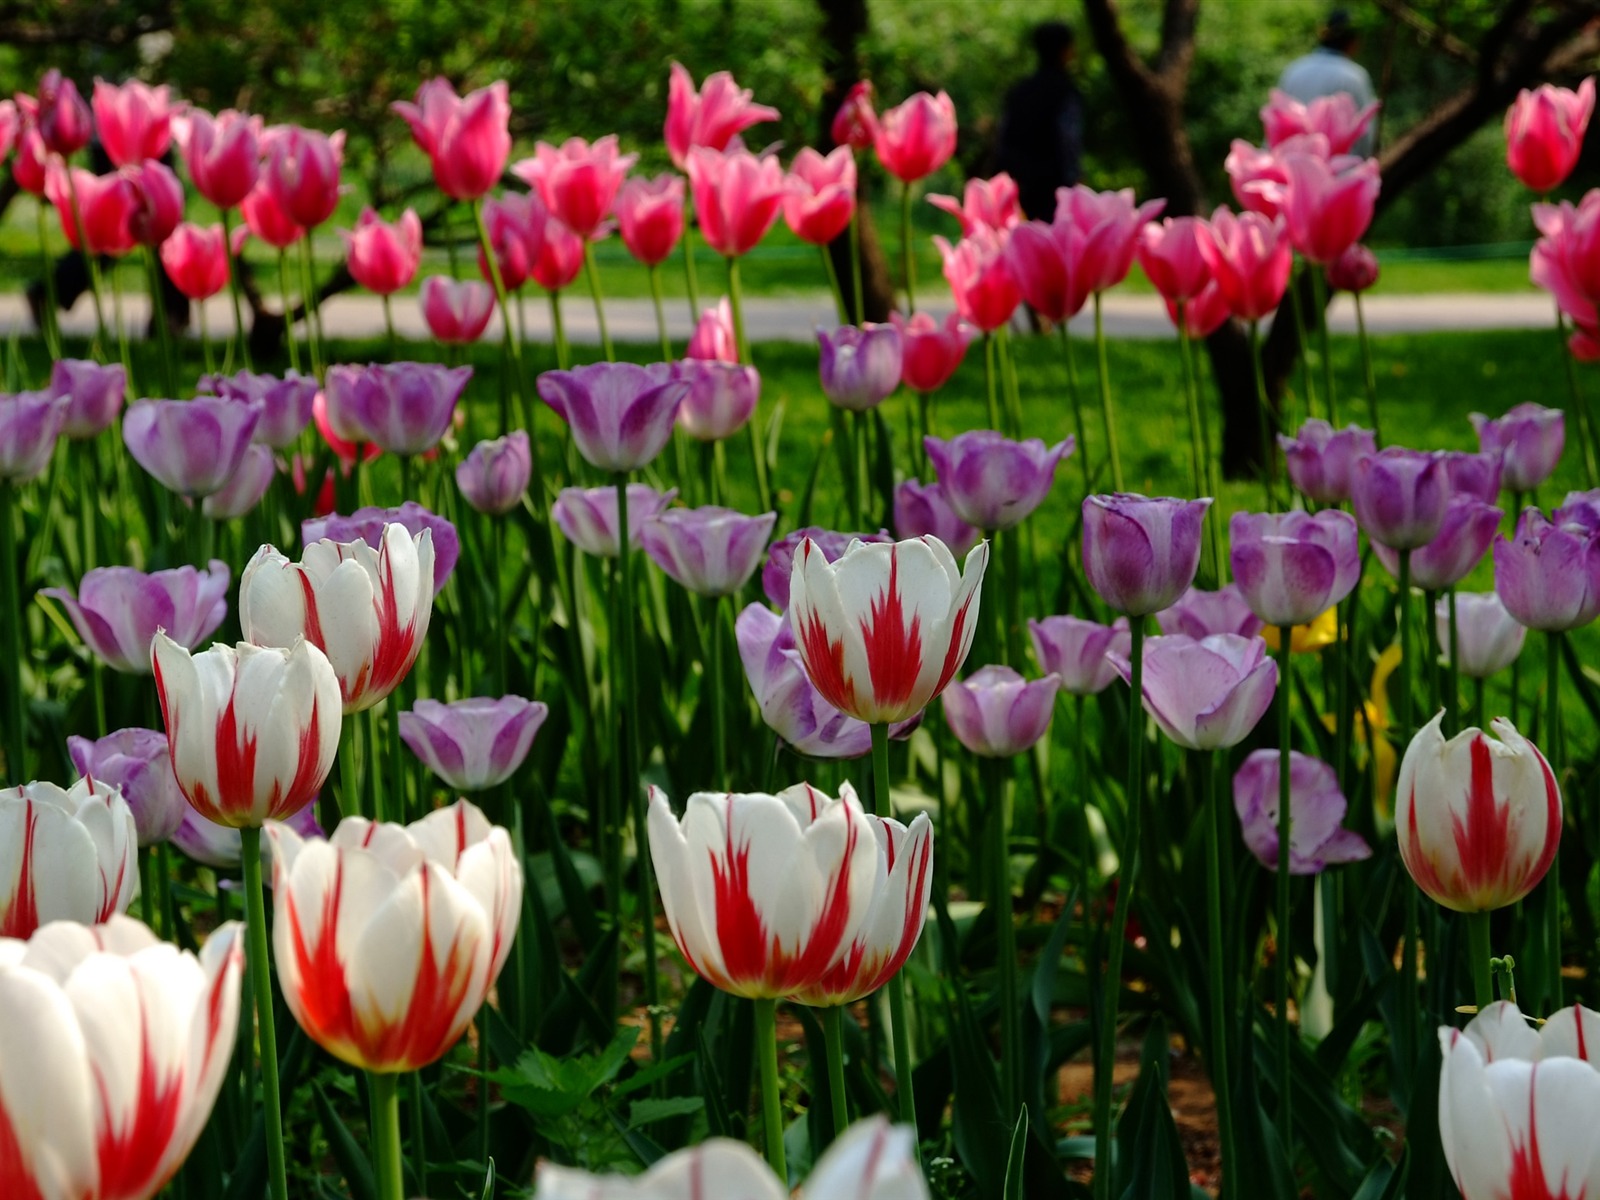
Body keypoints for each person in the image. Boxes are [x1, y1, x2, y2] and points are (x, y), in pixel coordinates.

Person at [997, 20, 1084, 222]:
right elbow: (1068, 139)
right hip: (1055, 185)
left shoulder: (1020, 90)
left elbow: (1003, 136)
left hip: (1020, 183)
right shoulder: (1065, 91)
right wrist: (1075, 179)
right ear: (1066, 50)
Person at [1276, 7, 1377, 154]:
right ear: (1353, 42)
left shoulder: (1293, 70)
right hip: (1338, 172)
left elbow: (1275, 127)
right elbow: (1366, 137)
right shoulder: (1355, 77)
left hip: (1290, 167)